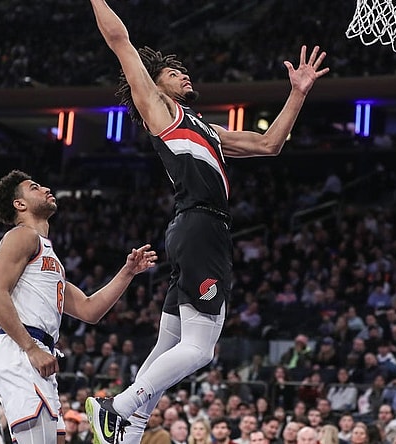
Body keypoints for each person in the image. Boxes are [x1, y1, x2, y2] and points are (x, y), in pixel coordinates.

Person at [85, 1, 329, 443]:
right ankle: (115, 408)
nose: (184, 74)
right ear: (156, 85)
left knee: (168, 345)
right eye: (173, 72)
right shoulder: (160, 110)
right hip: (201, 227)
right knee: (201, 349)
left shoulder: (206, 128)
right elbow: (120, 41)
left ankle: (129, 432)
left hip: (194, 229)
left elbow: (268, 144)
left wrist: (298, 93)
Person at [0, 170, 157, 443]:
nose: (46, 189)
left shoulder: (49, 255)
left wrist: (127, 273)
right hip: (19, 349)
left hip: (37, 350)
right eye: (35, 187)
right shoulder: (21, 236)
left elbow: (89, 310)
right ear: (20, 204)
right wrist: (30, 348)